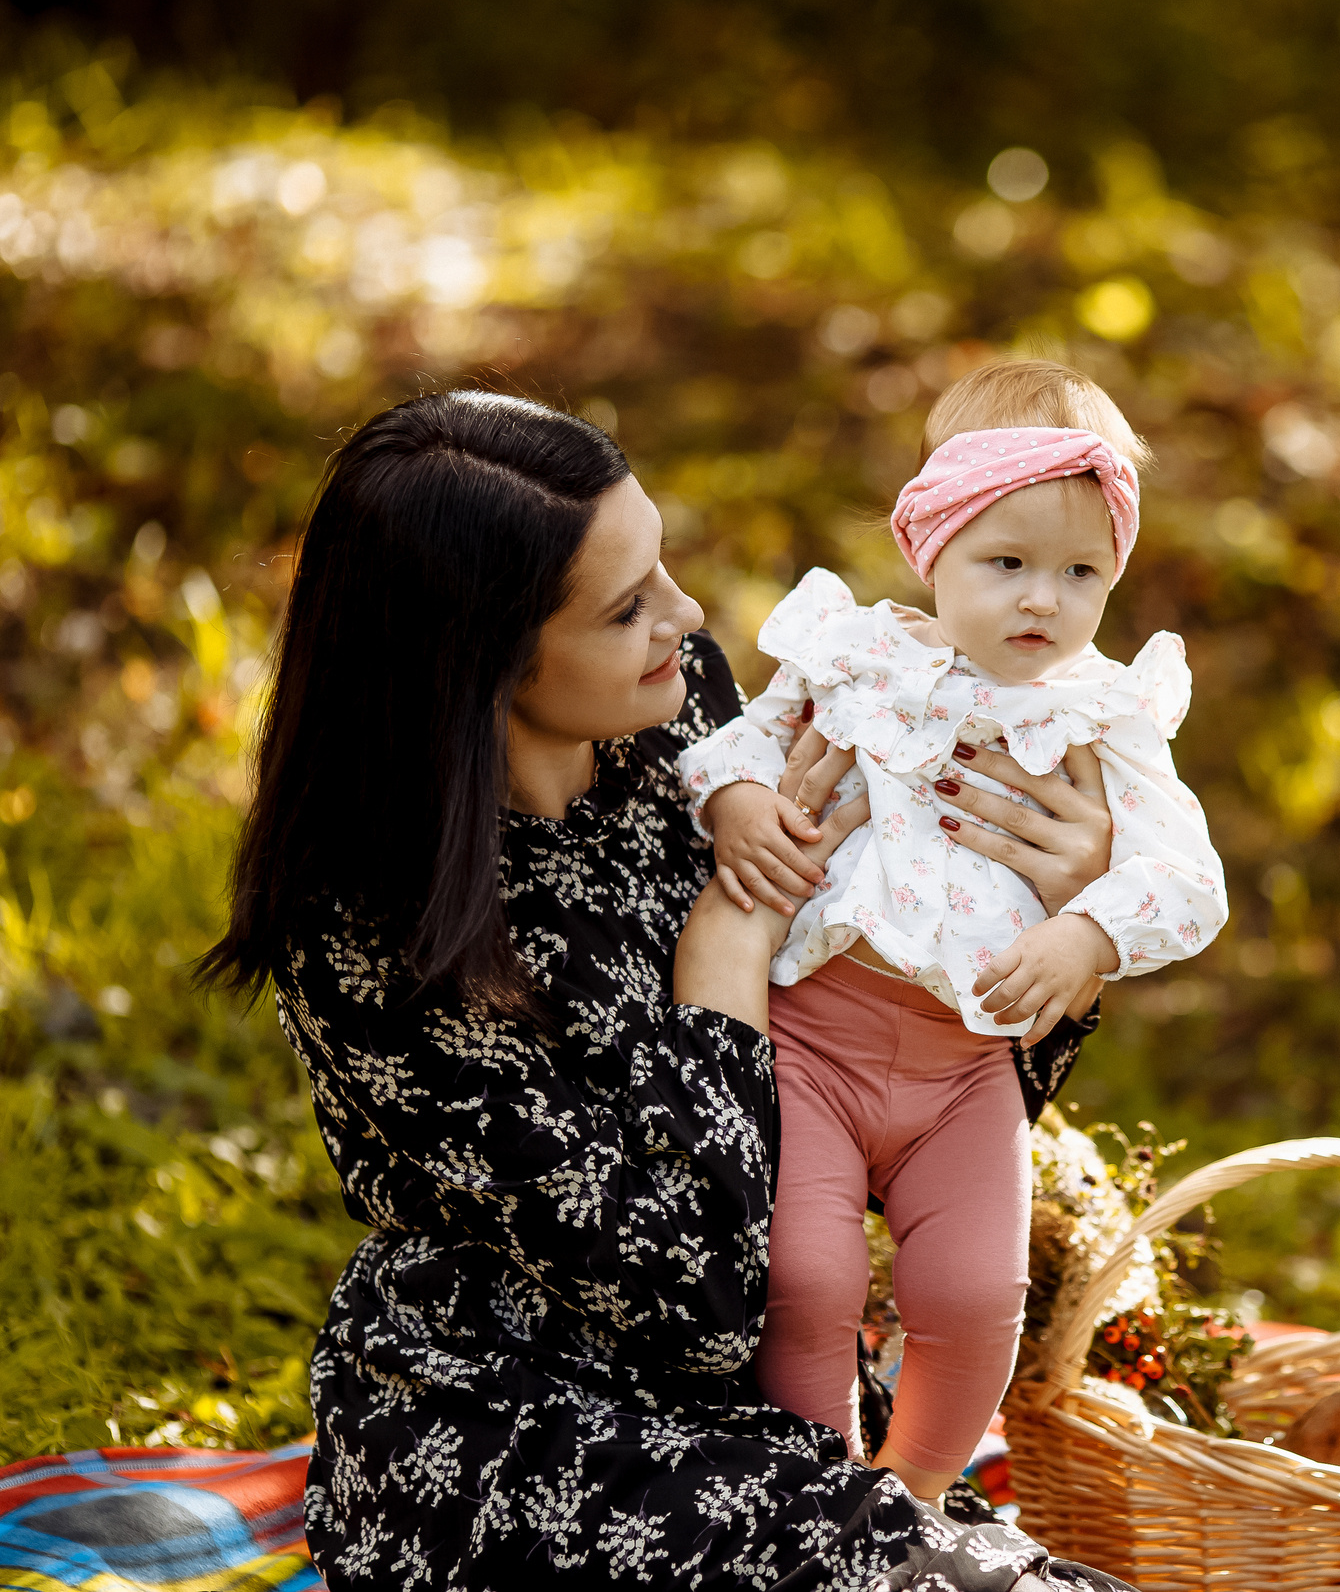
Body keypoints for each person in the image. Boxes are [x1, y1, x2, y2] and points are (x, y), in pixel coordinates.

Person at [201, 390, 1133, 1590]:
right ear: (479, 659)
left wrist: (1054, 925)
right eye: (627, 605)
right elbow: (693, 1291)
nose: (686, 618)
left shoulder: (679, 716)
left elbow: (893, 1100)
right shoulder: (371, 932)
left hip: (782, 1403)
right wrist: (730, 952)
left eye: (663, 569)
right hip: (520, 1434)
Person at [678, 359, 1228, 1505]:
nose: (1044, 600)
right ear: (931, 545)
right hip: (816, 1041)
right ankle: (817, 1495)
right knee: (807, 1277)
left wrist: (1089, 930)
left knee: (978, 1296)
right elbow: (735, 741)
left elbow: (1187, 878)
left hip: (964, 1065)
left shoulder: (1105, 714)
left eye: (1082, 572)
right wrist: (736, 802)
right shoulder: (854, 658)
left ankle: (915, 1496)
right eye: (1008, 563)